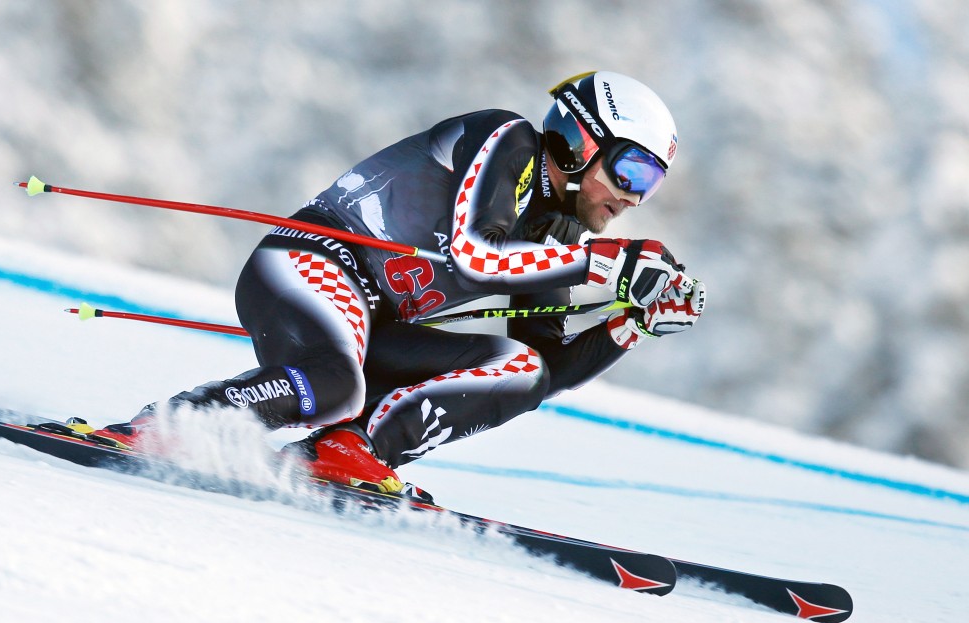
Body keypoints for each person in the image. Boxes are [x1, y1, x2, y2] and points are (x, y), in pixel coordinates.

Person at [92, 70, 706, 498]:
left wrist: (630, 325)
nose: (631, 197)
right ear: (580, 141)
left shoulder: (555, 238)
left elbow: (541, 368)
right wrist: (613, 265)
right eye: (631, 169)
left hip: (374, 323)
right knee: (334, 383)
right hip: (313, 262)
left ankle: (346, 453)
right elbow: (476, 255)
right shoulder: (508, 139)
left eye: (648, 184)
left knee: (518, 368)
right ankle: (172, 424)